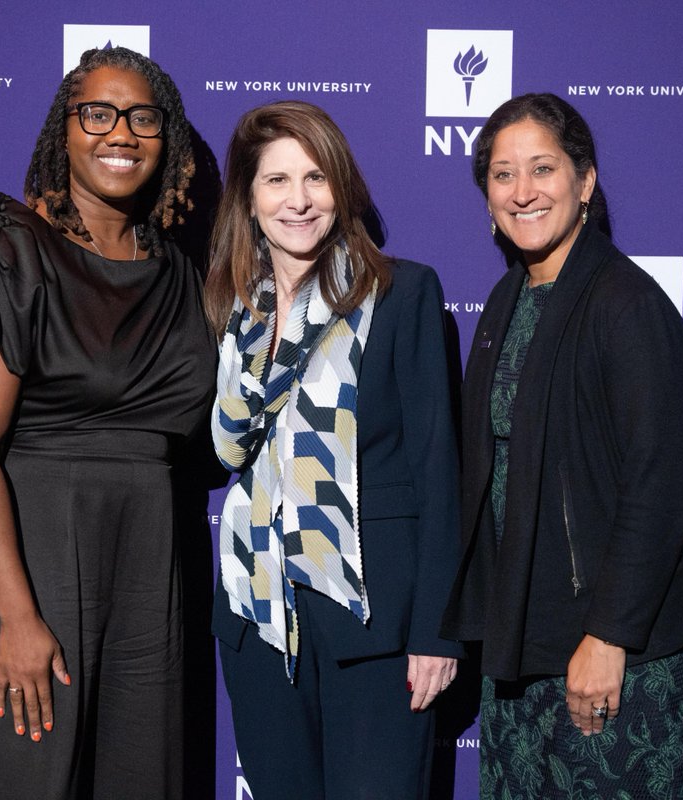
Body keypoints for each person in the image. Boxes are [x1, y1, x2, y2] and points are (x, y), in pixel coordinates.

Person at [0, 47, 215, 799]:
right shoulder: (11, 252)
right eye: (98, 113)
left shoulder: (175, 271)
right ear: (66, 130)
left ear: (167, 138)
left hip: (152, 554)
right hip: (42, 551)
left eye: (143, 118)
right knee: (32, 774)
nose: (121, 133)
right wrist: (18, 617)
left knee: (140, 776)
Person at [440, 93, 683, 799]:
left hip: (612, 653)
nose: (523, 192)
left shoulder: (627, 303)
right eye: (503, 175)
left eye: (543, 169)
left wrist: (609, 636)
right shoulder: (505, 303)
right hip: (521, 641)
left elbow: (656, 487)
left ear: (584, 181)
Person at [204, 100, 464, 800]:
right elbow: (218, 453)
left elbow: (439, 470)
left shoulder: (400, 292)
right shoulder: (229, 309)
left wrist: (437, 633)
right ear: (249, 199)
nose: (299, 200)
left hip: (373, 618)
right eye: (277, 181)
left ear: (340, 188)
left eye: (315, 178)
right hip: (258, 615)